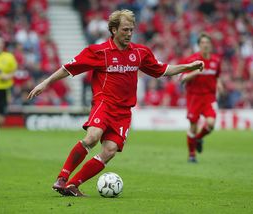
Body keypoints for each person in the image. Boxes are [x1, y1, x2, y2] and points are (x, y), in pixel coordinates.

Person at [28, 9, 204, 196]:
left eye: (131, 30)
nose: (129, 34)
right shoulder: (98, 52)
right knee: (92, 137)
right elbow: (68, 68)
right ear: (113, 30)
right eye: (125, 30)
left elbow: (163, 70)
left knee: (110, 150)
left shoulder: (140, 52)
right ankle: (62, 177)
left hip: (124, 112)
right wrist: (45, 83)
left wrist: (188, 66)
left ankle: (72, 185)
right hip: (104, 103)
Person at [180, 33, 222, 163]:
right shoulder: (191, 60)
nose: (205, 45)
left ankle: (198, 138)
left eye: (207, 42)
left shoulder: (216, 61)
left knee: (210, 124)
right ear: (199, 45)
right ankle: (192, 155)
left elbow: (216, 76)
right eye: (203, 43)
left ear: (211, 45)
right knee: (193, 126)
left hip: (209, 97)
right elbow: (182, 79)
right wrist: (197, 71)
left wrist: (220, 85)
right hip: (194, 97)